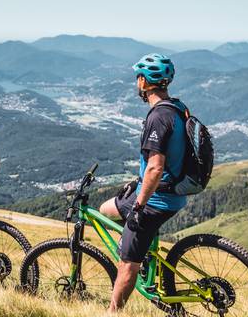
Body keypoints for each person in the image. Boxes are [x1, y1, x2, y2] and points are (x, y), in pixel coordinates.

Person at [99, 54, 189, 312]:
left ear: (143, 81)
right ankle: (141, 251)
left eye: (138, 78)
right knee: (106, 210)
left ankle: (113, 311)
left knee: (127, 264)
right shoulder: (177, 107)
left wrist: (138, 207)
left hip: (156, 200)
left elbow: (156, 167)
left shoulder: (158, 117)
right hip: (171, 192)